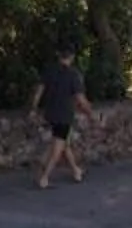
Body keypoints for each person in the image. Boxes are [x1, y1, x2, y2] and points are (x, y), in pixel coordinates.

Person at [32, 48, 92, 188]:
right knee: (58, 148)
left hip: (50, 114)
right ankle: (44, 177)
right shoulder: (73, 75)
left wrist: (33, 109)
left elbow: (39, 91)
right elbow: (80, 98)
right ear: (71, 57)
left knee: (64, 143)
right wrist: (90, 112)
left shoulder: (49, 71)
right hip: (64, 116)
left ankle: (76, 171)